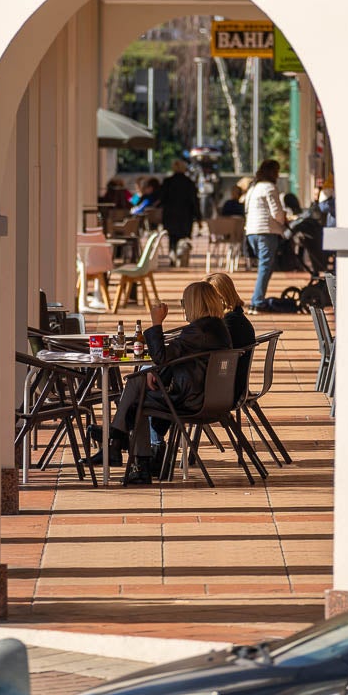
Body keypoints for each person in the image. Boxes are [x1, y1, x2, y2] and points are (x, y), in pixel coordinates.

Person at [112, 281, 232, 485]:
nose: (183, 306)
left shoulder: (197, 331)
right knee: (139, 382)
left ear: (194, 303)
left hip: (192, 400)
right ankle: (117, 439)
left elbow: (161, 356)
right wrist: (155, 371)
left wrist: (157, 323)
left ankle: (124, 447)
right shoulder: (217, 327)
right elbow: (173, 357)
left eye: (184, 302)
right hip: (212, 397)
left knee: (137, 396)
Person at [243, 159, 288, 311]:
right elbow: (277, 213)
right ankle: (257, 300)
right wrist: (285, 219)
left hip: (251, 232)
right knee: (265, 266)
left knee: (263, 266)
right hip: (266, 232)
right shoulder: (270, 187)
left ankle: (258, 299)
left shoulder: (253, 188)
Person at [206, 271, 257, 398]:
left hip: (223, 391)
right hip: (231, 385)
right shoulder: (236, 319)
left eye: (206, 298)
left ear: (220, 298)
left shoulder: (228, 324)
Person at [159, 159, 200, 267]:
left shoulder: (167, 182)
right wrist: (199, 218)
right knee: (183, 237)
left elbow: (161, 199)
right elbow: (195, 202)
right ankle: (181, 253)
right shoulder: (189, 183)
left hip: (170, 216)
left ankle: (172, 255)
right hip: (185, 216)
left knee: (172, 238)